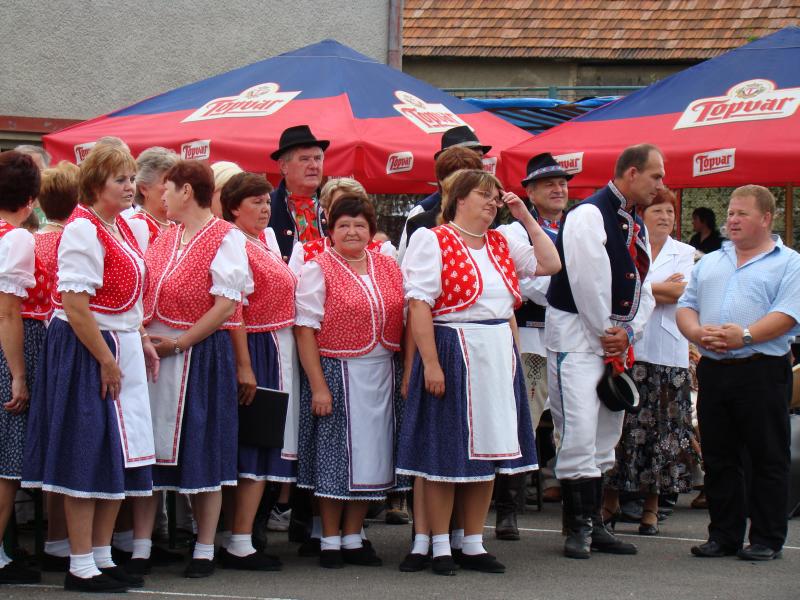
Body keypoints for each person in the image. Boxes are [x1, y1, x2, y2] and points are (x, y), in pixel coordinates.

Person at [397, 169, 560, 575]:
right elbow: (419, 305)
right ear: (459, 199)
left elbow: (551, 263)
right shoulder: (432, 239)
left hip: (497, 352)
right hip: (454, 346)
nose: (492, 202)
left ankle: (472, 541)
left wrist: (526, 218)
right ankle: (439, 544)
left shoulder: (502, 241)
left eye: (495, 196)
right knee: (445, 452)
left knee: (491, 450)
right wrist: (430, 363)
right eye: (483, 194)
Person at [22, 144, 158, 593]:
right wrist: (105, 359)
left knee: (117, 454)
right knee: (88, 451)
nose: (130, 186)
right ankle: (80, 564)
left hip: (118, 345)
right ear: (97, 184)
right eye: (121, 179)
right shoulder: (82, 230)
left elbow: (129, 303)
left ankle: (101, 555)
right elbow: (76, 306)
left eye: (131, 178)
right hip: (89, 350)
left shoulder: (118, 226)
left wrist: (140, 339)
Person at [545, 143, 661, 559]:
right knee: (578, 429)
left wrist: (628, 333)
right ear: (631, 173)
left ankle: (594, 523)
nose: (660, 184)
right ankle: (577, 527)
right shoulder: (589, 214)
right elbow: (586, 282)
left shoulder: (636, 224)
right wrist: (608, 333)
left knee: (605, 433)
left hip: (611, 343)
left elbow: (645, 287)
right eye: (655, 175)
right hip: (578, 339)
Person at [677, 185, 800, 561]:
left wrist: (744, 335)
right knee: (718, 455)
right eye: (730, 212)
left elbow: (788, 314)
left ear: (766, 218)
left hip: (761, 369)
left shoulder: (789, 262)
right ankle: (724, 535)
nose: (732, 219)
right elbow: (686, 305)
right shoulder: (710, 261)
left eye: (742, 213)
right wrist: (697, 333)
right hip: (715, 369)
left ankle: (766, 538)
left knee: (767, 456)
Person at [143, 160, 249, 578]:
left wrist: (181, 342)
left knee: (203, 448)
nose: (162, 196)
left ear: (186, 191)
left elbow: (225, 304)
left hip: (199, 354)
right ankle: (141, 547)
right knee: (149, 451)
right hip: (156, 353)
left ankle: (204, 548)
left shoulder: (225, 236)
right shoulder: (166, 236)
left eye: (167, 188)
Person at [295, 195, 407, 569]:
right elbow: (305, 330)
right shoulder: (318, 268)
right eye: (343, 225)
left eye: (360, 224)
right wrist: (318, 386)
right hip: (336, 371)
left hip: (382, 372)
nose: (352, 232)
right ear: (331, 230)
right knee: (335, 458)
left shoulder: (388, 266)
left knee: (373, 458)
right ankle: (329, 538)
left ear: (371, 230)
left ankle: (354, 535)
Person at [604, 188, 695, 535]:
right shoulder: (628, 246)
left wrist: (641, 287)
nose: (665, 217)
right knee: (622, 430)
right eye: (658, 210)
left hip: (669, 354)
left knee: (663, 433)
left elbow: (679, 293)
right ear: (643, 214)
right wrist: (656, 288)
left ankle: (652, 510)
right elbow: (615, 287)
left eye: (670, 211)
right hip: (631, 349)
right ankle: (610, 502)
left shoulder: (684, 252)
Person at [217, 171, 297, 571]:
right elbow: (235, 307)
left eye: (267, 201)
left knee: (264, 444)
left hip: (276, 345)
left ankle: (241, 535)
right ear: (234, 208)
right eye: (255, 202)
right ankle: (239, 540)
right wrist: (245, 364)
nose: (265, 208)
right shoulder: (233, 242)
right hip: (257, 347)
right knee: (255, 443)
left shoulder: (263, 240)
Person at [495, 152, 570, 540]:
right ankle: (509, 507)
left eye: (562, 183)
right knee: (521, 419)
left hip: (572, 340)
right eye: (548, 184)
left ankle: (578, 511)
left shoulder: (577, 227)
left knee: (572, 423)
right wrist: (568, 286)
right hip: (531, 341)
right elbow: (524, 285)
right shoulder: (514, 231)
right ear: (530, 193)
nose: (558, 189)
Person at [30, 161, 79, 571]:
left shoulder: (34, 240)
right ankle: (62, 538)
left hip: (39, 343)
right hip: (64, 343)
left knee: (51, 440)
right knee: (66, 440)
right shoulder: (71, 240)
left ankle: (56, 536)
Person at [0, 152, 46, 585]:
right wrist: (18, 373)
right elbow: (8, 313)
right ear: (31, 198)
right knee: (7, 463)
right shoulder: (16, 238)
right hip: (11, 347)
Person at [397, 126, 490, 262]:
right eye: (466, 157)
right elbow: (405, 263)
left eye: (479, 158)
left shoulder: (488, 213)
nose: (473, 172)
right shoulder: (423, 212)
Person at [287, 177, 394, 275]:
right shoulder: (304, 253)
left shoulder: (383, 251)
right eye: (340, 207)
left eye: (354, 206)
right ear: (326, 213)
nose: (347, 212)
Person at [269, 125, 329, 262]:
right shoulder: (267, 208)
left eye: (318, 158)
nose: (314, 165)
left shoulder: (334, 205)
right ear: (283, 166)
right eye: (305, 159)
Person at [131, 147, 178, 244]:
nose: (175, 187)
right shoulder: (136, 226)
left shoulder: (175, 226)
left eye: (176, 180)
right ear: (144, 189)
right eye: (166, 181)